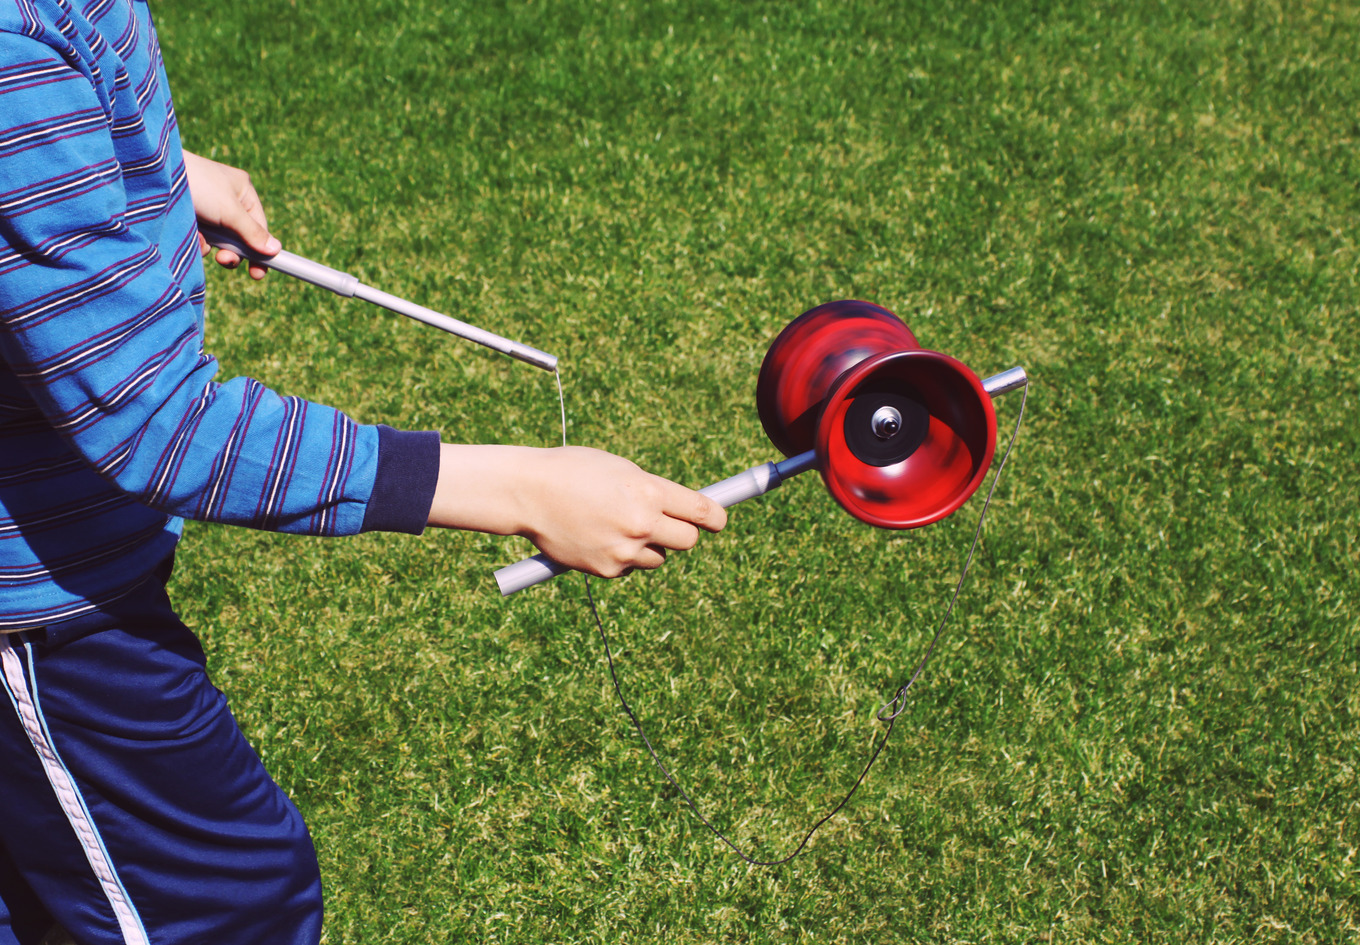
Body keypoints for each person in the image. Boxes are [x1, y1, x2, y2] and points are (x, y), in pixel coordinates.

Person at [0, 1, 726, 943]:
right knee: (226, 908)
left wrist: (144, 173)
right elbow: (156, 420)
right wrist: (522, 489)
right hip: (44, 621)